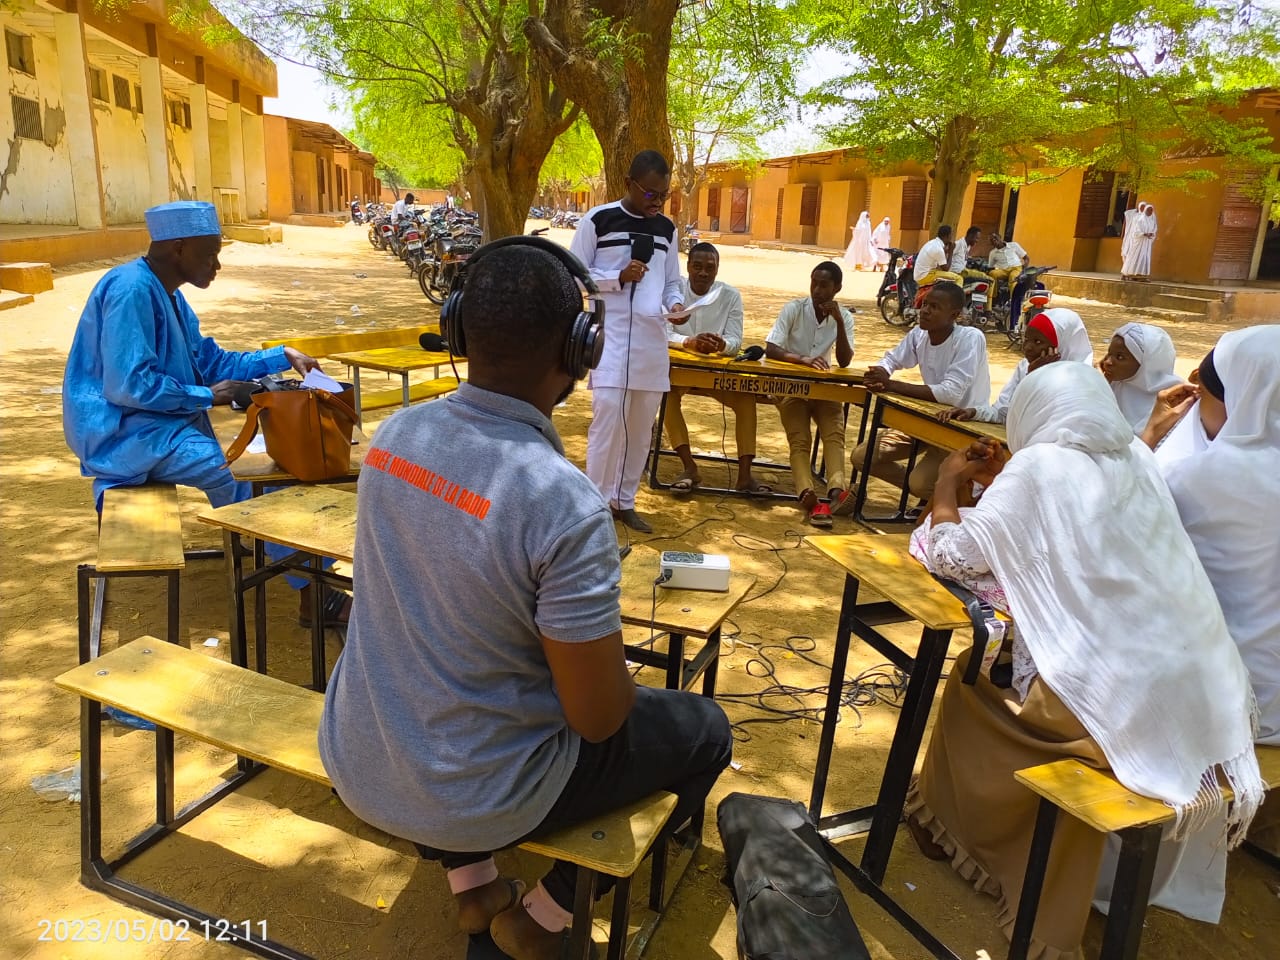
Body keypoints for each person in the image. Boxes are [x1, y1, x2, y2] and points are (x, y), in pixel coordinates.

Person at [317, 239, 732, 960]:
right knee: (705, 730)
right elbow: (599, 720)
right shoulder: (561, 502)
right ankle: (542, 917)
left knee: (450, 668)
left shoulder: (394, 437)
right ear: (581, 351)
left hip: (362, 757)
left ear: (457, 330)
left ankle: (474, 883)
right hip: (468, 791)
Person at [905, 362, 1264, 960]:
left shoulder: (1039, 467)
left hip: (1108, 709)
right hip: (1204, 695)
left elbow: (953, 553)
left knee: (969, 682)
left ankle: (949, 830)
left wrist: (948, 483)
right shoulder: (1134, 459)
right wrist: (1010, 479)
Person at [61, 201, 335, 621]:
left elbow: (210, 363)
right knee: (236, 471)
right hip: (122, 436)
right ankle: (314, 596)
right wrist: (209, 396)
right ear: (178, 249)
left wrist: (282, 354)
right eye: (210, 254)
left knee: (262, 467)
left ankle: (273, 549)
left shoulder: (168, 295)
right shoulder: (131, 290)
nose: (217, 265)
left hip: (155, 427)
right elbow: (129, 384)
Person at [570, 150, 685, 534]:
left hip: (652, 341)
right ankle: (596, 505)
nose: (657, 201)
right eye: (651, 193)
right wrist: (616, 277)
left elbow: (671, 281)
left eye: (664, 195)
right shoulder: (598, 220)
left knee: (640, 428)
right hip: (611, 337)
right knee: (608, 420)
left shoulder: (668, 229)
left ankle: (625, 500)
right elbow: (574, 275)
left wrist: (677, 304)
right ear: (628, 183)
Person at [852, 282, 990, 502]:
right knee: (862, 456)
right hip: (928, 417)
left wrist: (890, 385)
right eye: (925, 304)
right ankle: (934, 496)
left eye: (934, 307)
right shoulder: (919, 334)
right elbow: (892, 359)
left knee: (919, 482)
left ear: (954, 314)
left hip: (960, 427)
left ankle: (958, 503)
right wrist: (881, 372)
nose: (924, 311)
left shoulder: (970, 338)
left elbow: (949, 394)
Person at [662, 243, 768, 496]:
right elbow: (662, 332)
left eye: (710, 268)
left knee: (745, 399)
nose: (703, 273)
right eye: (697, 267)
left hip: (717, 374)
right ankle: (689, 467)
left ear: (717, 270)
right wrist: (688, 342)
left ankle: (744, 476)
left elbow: (734, 340)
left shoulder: (730, 296)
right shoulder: (673, 293)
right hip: (680, 372)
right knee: (664, 395)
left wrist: (722, 345)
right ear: (688, 268)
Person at [764, 260, 856, 528]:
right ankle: (807, 492)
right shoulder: (794, 309)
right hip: (791, 387)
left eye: (824, 285)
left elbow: (845, 360)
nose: (817, 290)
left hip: (823, 388)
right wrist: (803, 360)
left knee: (834, 433)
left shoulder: (845, 317)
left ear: (837, 288)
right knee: (799, 439)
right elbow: (771, 348)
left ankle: (837, 490)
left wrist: (839, 322)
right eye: (814, 283)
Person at [939, 308, 1092, 424]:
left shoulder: (1079, 382)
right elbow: (1004, 413)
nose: (1028, 347)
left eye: (1038, 342)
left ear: (1060, 347)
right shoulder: (1025, 367)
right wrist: (973, 412)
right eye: (1026, 339)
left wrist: (1036, 377)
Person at [1100, 321, 1184, 433]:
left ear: (1146, 363)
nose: (1108, 362)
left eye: (1120, 357)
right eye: (1109, 354)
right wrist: (1098, 386)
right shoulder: (1111, 384)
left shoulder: (1175, 397)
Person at [1121, 202, 1158, 280]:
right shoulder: (1140, 220)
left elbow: (1154, 230)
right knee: (1135, 257)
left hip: (1146, 243)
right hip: (1138, 242)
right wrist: (1144, 234)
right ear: (1145, 210)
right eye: (1149, 210)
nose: (1150, 212)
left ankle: (1141, 275)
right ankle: (1127, 273)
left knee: (1144, 258)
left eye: (1152, 210)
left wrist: (1151, 234)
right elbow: (1136, 231)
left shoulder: (1151, 221)